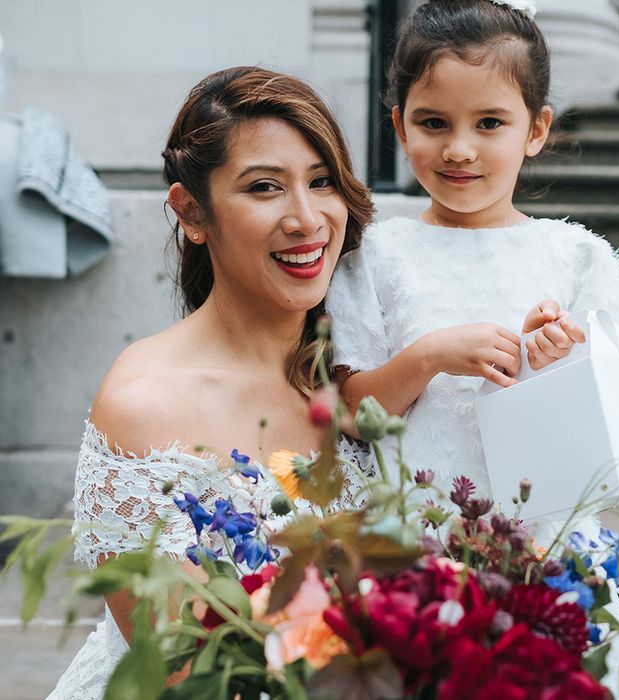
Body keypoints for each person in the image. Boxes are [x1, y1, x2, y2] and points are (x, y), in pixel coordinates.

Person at [324, 2, 619, 694]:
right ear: (397, 125)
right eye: (433, 123)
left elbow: (618, 426)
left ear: (537, 130)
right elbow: (353, 411)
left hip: (545, 545)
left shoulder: (575, 257)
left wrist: (553, 362)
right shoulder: (376, 253)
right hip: (419, 539)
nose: (459, 149)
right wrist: (429, 355)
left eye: (489, 124)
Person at [47, 66, 375, 699]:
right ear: (192, 211)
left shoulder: (359, 375)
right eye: (264, 188)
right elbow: (185, 668)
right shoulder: (147, 405)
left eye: (322, 182)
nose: (307, 219)